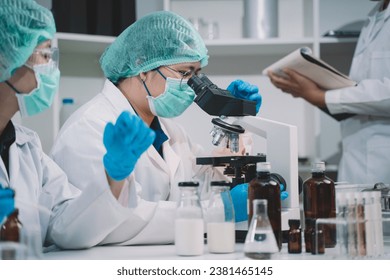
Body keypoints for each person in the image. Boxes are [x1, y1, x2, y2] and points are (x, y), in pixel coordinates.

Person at [51, 11, 263, 245]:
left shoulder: (171, 131)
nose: (193, 87)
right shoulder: (90, 127)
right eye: (184, 73)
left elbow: (206, 183)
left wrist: (233, 119)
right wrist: (218, 210)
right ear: (142, 66)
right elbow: (115, 222)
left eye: (197, 74)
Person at [0, 0, 149, 252]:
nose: (52, 69)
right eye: (45, 55)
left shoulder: (28, 147)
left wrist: (113, 177)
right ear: (7, 57)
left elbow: (64, 225)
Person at [267, 0, 390, 184]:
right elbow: (362, 90)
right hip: (357, 159)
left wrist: (321, 96)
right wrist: (311, 91)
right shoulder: (375, 14)